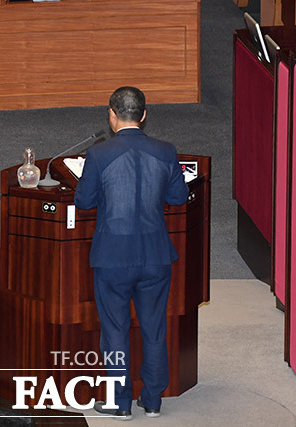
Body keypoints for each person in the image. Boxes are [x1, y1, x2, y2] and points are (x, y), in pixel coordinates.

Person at [74, 86, 189, 421]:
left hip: (112, 258)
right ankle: (152, 400)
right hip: (155, 257)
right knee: (154, 329)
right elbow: (179, 197)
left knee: (114, 331)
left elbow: (84, 201)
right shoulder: (166, 151)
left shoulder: (99, 154)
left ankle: (120, 402)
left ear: (112, 115)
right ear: (144, 114)